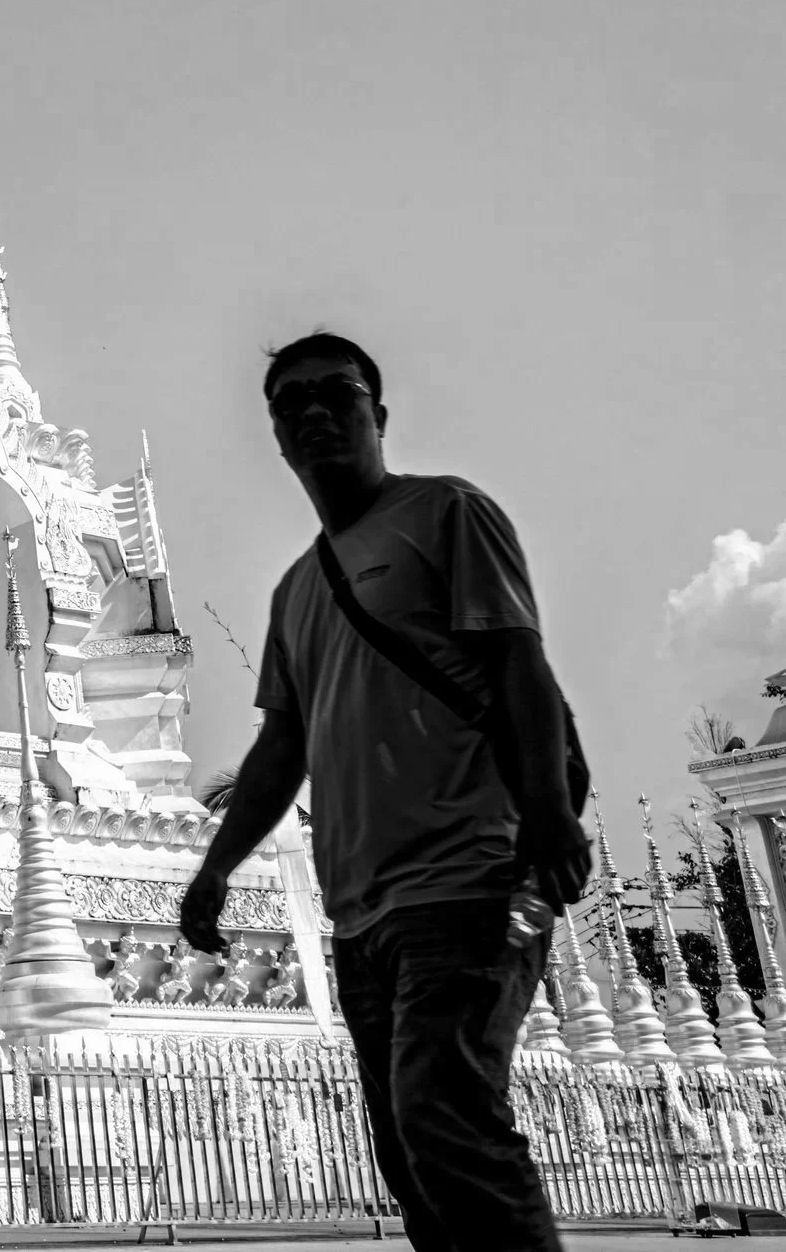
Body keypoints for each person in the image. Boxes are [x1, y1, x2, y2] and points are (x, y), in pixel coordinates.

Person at [179, 332, 590, 1252]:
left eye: (338, 393)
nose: (316, 412)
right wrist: (215, 868)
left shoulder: (446, 513)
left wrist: (553, 814)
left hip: (471, 873)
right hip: (360, 912)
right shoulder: (295, 591)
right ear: (277, 436)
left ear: (379, 413)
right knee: (410, 1153)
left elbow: (517, 660)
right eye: (293, 403)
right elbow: (281, 747)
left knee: (446, 1119)